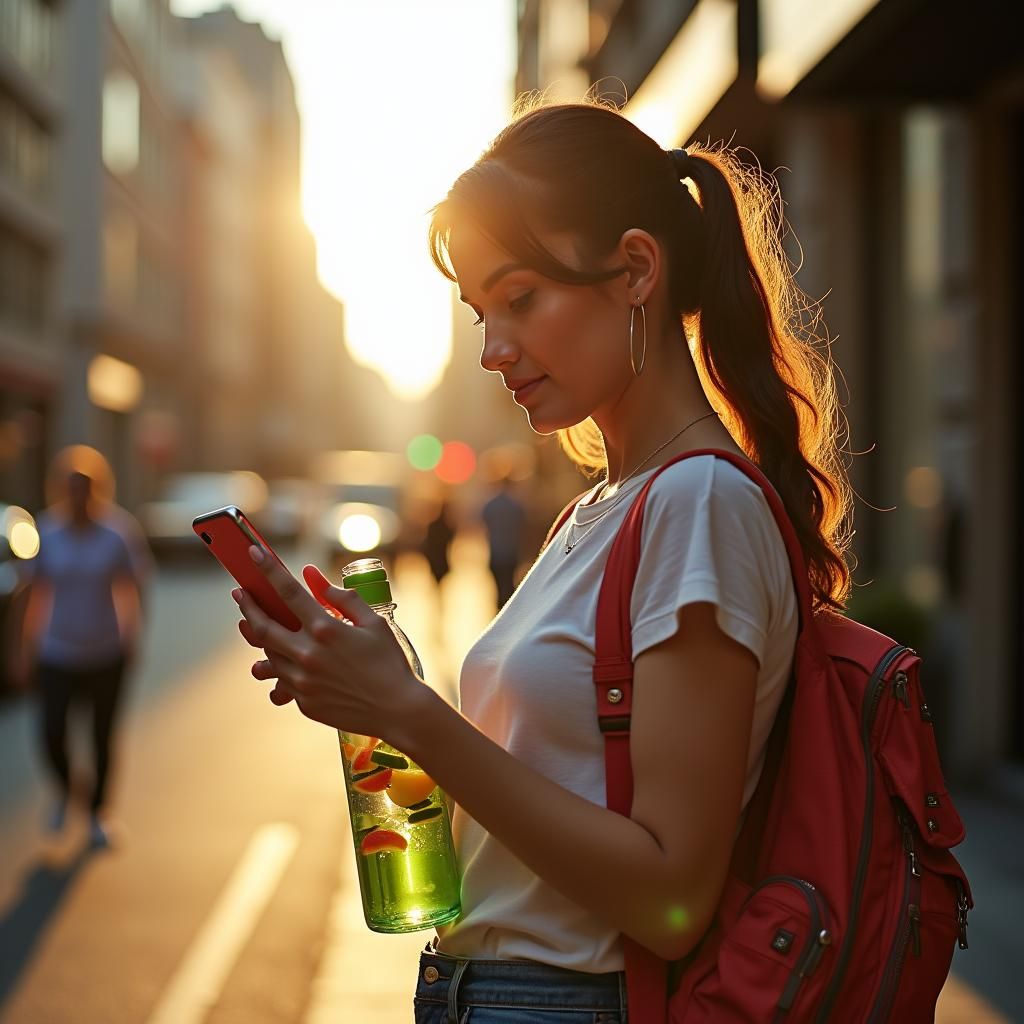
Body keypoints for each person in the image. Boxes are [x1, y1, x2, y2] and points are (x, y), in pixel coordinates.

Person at [230, 99, 853, 1021]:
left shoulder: (699, 505)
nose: (492, 349)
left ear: (636, 268)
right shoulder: (600, 508)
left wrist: (410, 711)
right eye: (482, 311)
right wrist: (380, 692)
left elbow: (671, 898)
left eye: (520, 299)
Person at [14, 445, 152, 848]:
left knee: (101, 736)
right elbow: (30, 592)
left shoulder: (117, 532)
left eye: (86, 488)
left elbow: (134, 586)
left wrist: (134, 637)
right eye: (71, 487)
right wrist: (21, 650)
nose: (78, 496)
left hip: (105, 651)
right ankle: (66, 790)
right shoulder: (48, 531)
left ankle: (96, 813)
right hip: (56, 651)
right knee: (52, 733)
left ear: (98, 490)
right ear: (60, 490)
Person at [480, 475, 527, 609]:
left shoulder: (491, 504)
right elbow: (523, 527)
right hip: (511, 552)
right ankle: (508, 611)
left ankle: (499, 610)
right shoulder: (516, 506)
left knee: (498, 586)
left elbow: (485, 524)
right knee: (509, 584)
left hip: (496, 551)